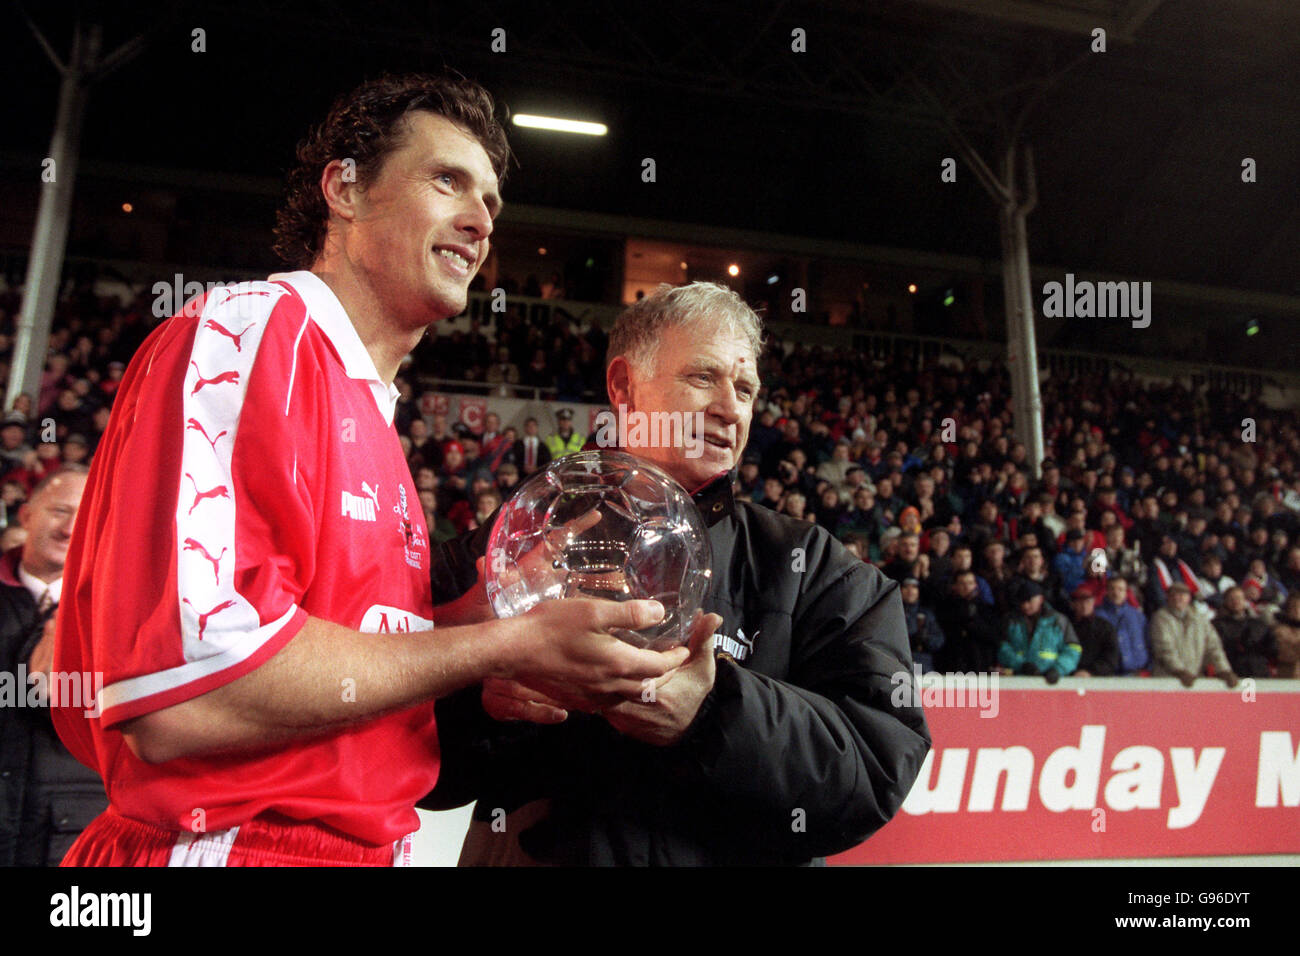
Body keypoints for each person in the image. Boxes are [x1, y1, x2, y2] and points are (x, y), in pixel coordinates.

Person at [50, 73, 691, 868]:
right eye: (447, 180)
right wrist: (503, 644)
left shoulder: (372, 413)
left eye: (491, 202)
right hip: (230, 844)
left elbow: (332, 660)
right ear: (344, 191)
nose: (480, 220)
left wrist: (479, 620)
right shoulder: (253, 337)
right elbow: (189, 693)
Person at [425, 281, 930, 865]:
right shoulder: (508, 546)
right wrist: (477, 695)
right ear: (623, 387)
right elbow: (398, 753)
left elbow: (879, 767)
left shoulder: (815, 568)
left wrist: (712, 713)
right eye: (703, 377)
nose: (730, 407)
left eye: (745, 388)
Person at [1, 465, 106, 865]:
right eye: (60, 511)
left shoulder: (112, 611)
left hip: (67, 832)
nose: (69, 529)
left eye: (84, 517)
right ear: (26, 514)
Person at [1149, 583, 1238, 687]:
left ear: (1189, 598)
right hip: (1167, 679)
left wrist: (1224, 670)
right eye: (1174, 595)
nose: (1178, 598)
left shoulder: (1200, 619)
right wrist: (1179, 671)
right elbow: (1164, 648)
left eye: (1183, 595)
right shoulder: (1161, 618)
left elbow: (1214, 648)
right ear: (1168, 597)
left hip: (1193, 679)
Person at [998, 580, 1081, 682]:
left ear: (1040, 599)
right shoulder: (1011, 621)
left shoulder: (1058, 621)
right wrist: (1021, 665)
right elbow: (1003, 649)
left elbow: (1073, 649)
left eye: (1029, 601)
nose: (1025, 606)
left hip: (1051, 682)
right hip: (1019, 681)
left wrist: (1058, 670)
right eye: (1022, 601)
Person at [1213, 586, 1275, 678]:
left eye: (1238, 598)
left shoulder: (1258, 624)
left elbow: (1272, 648)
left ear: (1244, 600)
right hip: (1232, 674)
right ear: (1225, 602)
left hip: (1259, 673)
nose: (1235, 601)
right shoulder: (1217, 625)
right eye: (1231, 599)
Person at [1093, 576, 1149, 674]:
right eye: (1112, 589)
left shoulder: (1137, 615)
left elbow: (1147, 641)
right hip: (1106, 672)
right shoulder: (1097, 614)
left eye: (1120, 589)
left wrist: (1148, 666)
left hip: (1135, 671)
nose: (1116, 593)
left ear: (1126, 593)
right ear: (1106, 591)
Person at [1067, 585, 1120, 677]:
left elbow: (1111, 656)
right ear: (1073, 604)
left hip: (1098, 678)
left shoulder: (1105, 627)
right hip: (1069, 676)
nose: (1084, 606)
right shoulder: (1066, 625)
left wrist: (1091, 672)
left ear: (1093, 603)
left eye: (1088, 602)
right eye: (1080, 602)